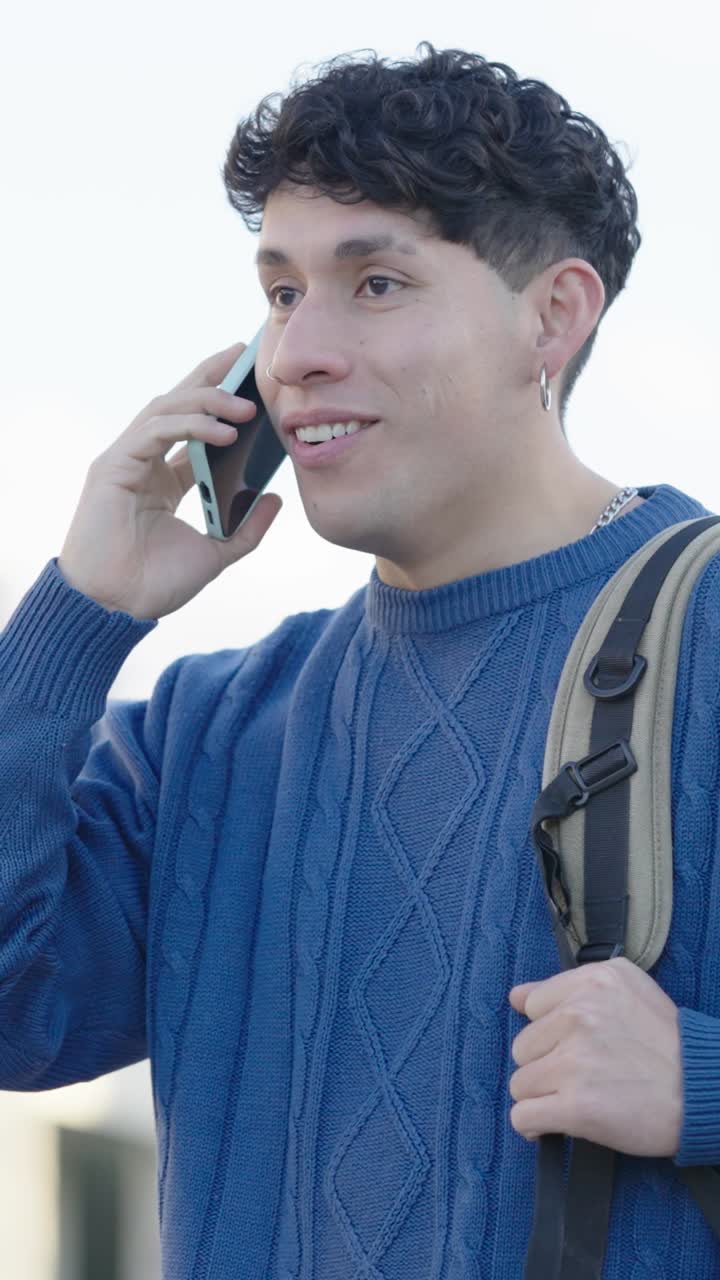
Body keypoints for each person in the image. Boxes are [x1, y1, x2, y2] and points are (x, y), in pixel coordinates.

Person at [0, 41, 717, 1279]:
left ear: (553, 315)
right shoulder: (209, 727)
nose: (297, 355)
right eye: (282, 293)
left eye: (376, 282)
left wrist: (701, 1085)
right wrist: (76, 620)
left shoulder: (703, 639)